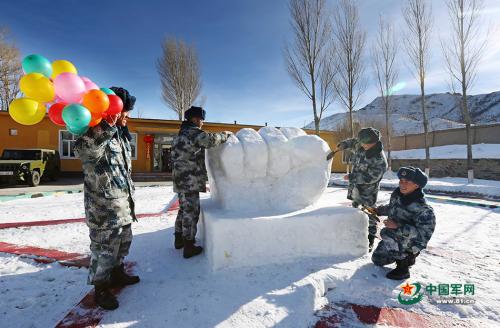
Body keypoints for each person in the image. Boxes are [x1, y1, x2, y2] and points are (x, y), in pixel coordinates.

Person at [74, 87, 139, 310]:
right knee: (103, 252)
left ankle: (118, 273)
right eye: (125, 110)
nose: (127, 115)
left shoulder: (120, 137)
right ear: (112, 109)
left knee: (123, 245)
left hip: (122, 206)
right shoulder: (94, 131)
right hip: (103, 210)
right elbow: (86, 151)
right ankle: (100, 288)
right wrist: (106, 125)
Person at [171, 106, 231, 258]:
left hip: (180, 178)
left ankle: (179, 239)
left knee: (183, 209)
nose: (202, 123)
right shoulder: (193, 133)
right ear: (195, 119)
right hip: (189, 179)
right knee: (191, 212)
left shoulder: (180, 134)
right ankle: (189, 246)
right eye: (201, 120)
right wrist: (225, 135)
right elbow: (211, 140)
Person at [371, 167, 436, 280]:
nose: (402, 184)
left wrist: (398, 226)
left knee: (387, 233)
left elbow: (423, 235)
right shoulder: (399, 195)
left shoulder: (423, 209)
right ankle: (397, 251)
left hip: (412, 242)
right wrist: (377, 210)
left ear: (416, 185)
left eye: (407, 182)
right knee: (377, 259)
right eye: (401, 181)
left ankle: (405, 264)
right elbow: (393, 208)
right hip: (397, 237)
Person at [335, 127, 388, 251]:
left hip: (368, 192)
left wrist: (353, 177)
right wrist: (343, 145)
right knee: (356, 212)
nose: (363, 145)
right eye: (362, 143)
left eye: (367, 144)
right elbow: (353, 142)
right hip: (356, 189)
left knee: (369, 215)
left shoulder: (379, 159)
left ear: (374, 142)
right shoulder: (361, 144)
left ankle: (369, 240)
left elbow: (372, 177)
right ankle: (357, 235)